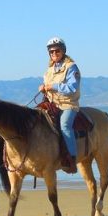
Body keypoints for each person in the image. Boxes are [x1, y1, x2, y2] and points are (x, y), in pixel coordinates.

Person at [39, 37, 81, 174]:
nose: (54, 54)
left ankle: (72, 160)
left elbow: (73, 87)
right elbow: (47, 84)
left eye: (57, 50)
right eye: (51, 52)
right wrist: (44, 87)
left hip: (68, 104)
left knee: (64, 126)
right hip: (51, 103)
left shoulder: (71, 67)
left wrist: (53, 86)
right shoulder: (50, 69)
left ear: (63, 51)